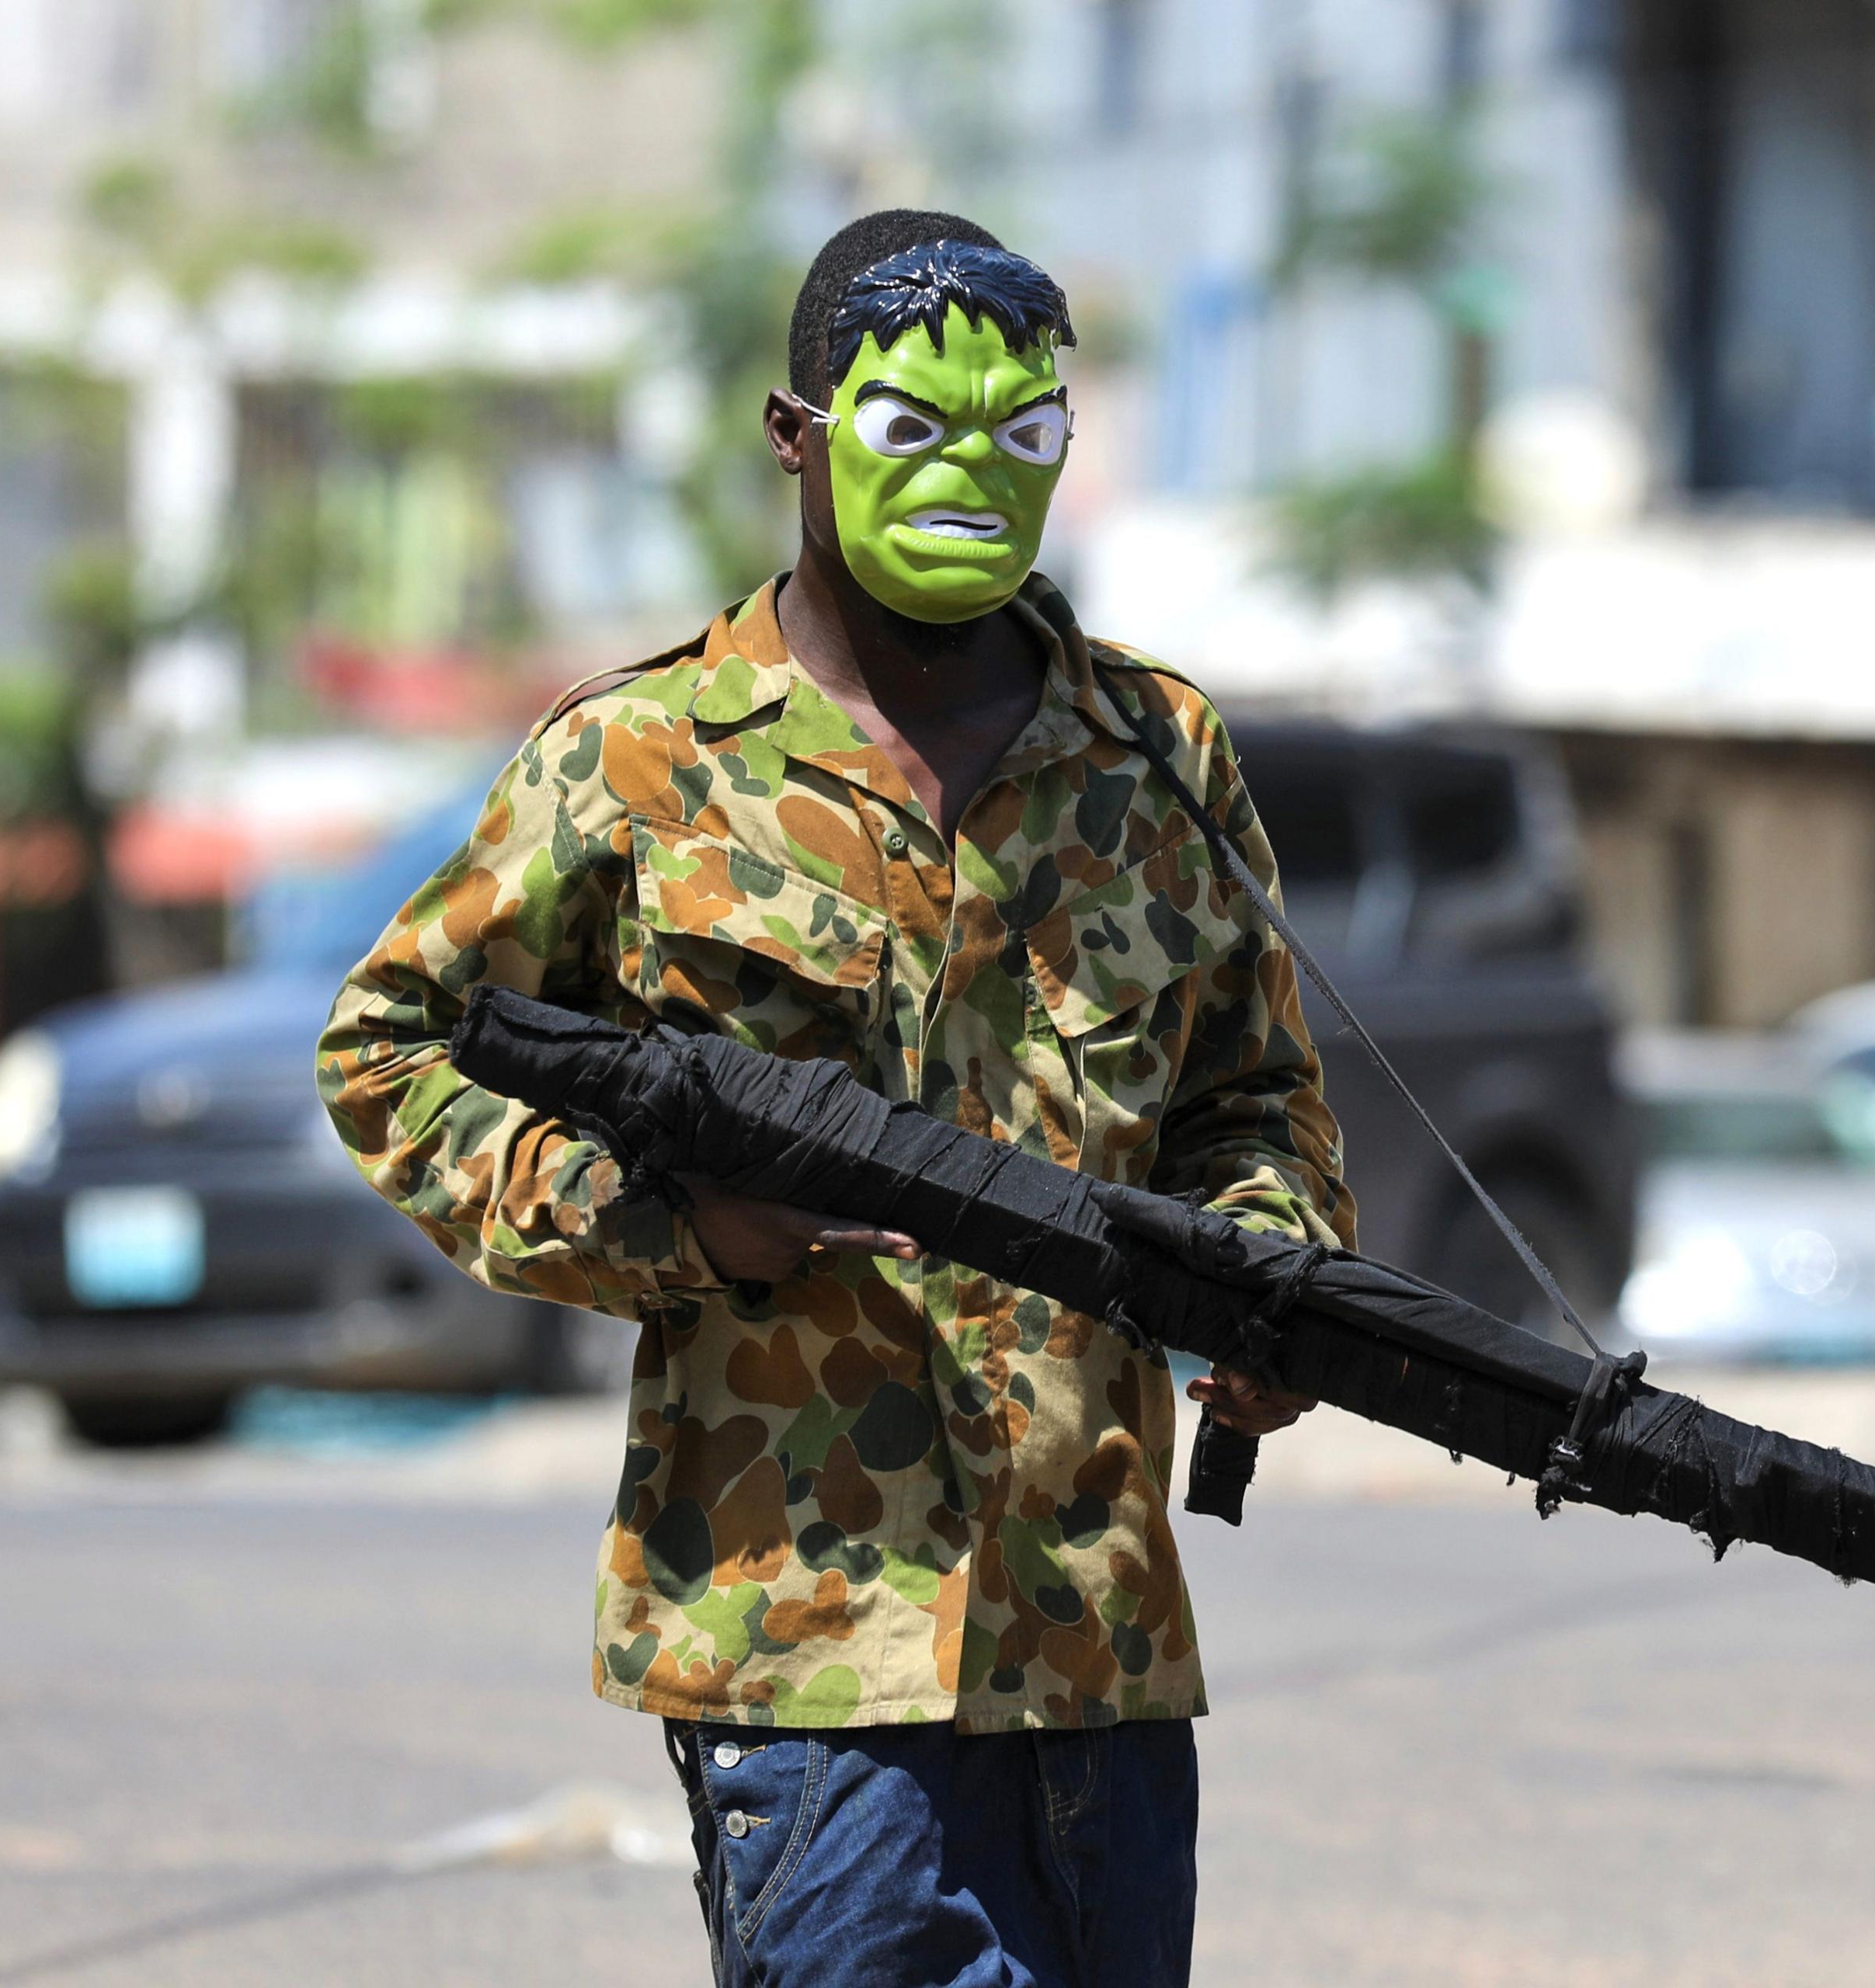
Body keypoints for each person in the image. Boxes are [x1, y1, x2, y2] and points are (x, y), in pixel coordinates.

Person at [318, 211, 1351, 1987]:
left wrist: (1269, 1268)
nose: (972, 477)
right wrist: (671, 1223)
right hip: (809, 1672)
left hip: (1096, 1652)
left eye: (1021, 434)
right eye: (911, 429)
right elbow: (393, 1047)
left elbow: (1250, 1089)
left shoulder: (1156, 757)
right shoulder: (638, 762)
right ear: (794, 435)